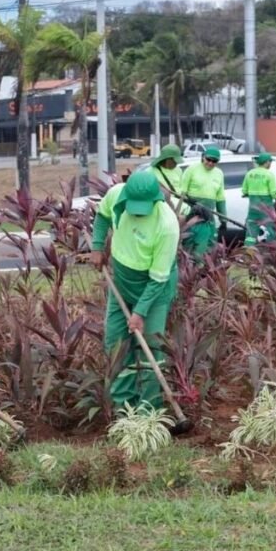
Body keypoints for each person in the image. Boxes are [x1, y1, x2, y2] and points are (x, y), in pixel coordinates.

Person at [90, 171, 181, 410]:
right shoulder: (116, 195)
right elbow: (102, 216)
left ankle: (149, 410)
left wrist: (140, 312)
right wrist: (97, 247)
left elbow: (158, 279)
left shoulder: (167, 225)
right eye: (134, 205)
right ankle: (124, 409)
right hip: (121, 282)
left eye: (144, 207)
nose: (137, 211)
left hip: (153, 290)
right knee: (115, 345)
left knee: (150, 346)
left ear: (156, 200)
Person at [177, 145, 226, 257]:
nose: (210, 163)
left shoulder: (219, 173)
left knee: (209, 244)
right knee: (190, 242)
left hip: (208, 216)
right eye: (208, 159)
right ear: (203, 157)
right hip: (192, 215)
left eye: (214, 161)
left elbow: (220, 198)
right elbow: (181, 192)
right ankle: (188, 268)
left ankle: (204, 269)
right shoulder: (192, 169)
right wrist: (189, 205)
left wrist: (223, 219)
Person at [240, 152, 276, 246]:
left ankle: (248, 250)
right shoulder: (269, 175)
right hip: (266, 208)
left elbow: (244, 191)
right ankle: (270, 249)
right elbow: (274, 193)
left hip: (253, 208)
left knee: (251, 229)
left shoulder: (249, 174)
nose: (270, 164)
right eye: (270, 162)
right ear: (267, 162)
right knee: (269, 228)